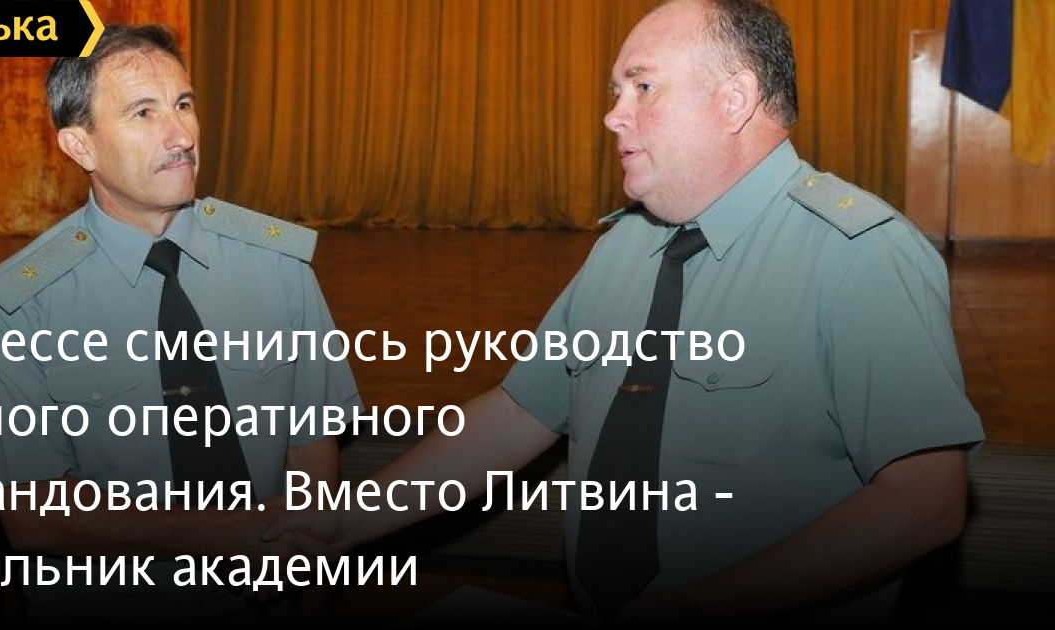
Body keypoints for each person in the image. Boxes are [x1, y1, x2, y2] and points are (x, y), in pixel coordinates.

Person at [264, 0, 984, 624]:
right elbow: (520, 413)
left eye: (642, 86)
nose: (613, 113)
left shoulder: (859, 255)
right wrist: (344, 521)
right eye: (616, 90)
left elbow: (925, 503)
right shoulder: (624, 248)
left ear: (734, 99)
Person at [0, 25, 360, 624]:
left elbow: (313, 452)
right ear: (80, 147)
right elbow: (34, 516)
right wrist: (230, 534)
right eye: (143, 112)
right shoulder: (22, 303)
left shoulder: (277, 264)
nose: (181, 135)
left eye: (183, 104)